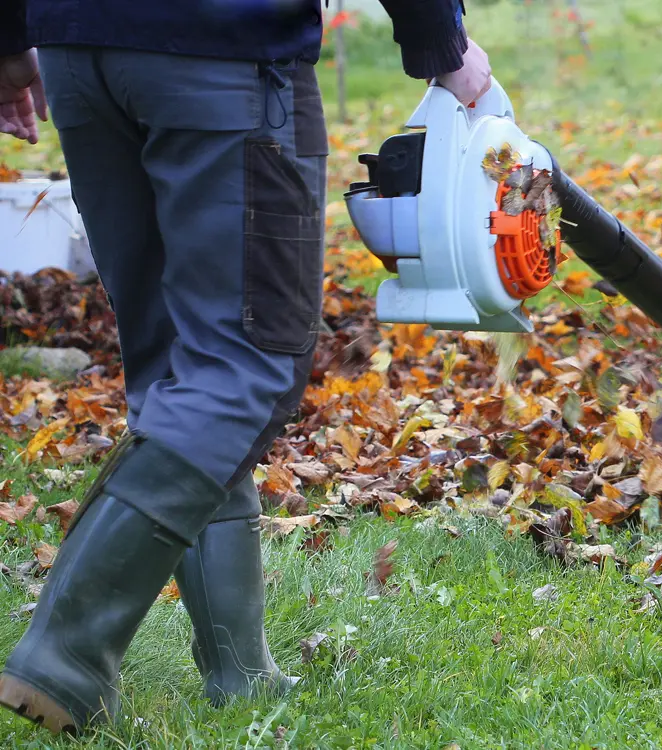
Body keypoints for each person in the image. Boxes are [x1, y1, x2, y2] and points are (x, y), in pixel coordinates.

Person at [0, 0, 491, 736]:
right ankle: (64, 653)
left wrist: (13, 37)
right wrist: (439, 38)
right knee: (243, 364)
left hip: (78, 47)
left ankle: (240, 669)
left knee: (178, 363)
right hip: (220, 49)